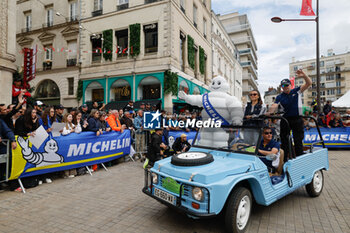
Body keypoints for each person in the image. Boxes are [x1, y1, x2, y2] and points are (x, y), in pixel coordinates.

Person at [267, 69, 312, 159]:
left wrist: (304, 76)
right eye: (283, 86)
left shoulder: (296, 91)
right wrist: (268, 113)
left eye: (287, 85)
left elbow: (309, 83)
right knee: (284, 139)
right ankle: (285, 158)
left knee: (298, 139)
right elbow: (274, 105)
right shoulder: (280, 96)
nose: (285, 87)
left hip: (297, 119)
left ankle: (299, 157)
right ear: (282, 87)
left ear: (290, 85)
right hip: (285, 119)